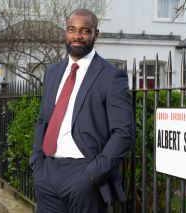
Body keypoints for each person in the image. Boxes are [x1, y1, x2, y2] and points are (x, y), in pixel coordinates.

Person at [29, 8, 134, 213]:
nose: (77, 36)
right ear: (65, 32)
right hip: (48, 173)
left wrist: (92, 174)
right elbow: (43, 120)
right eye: (71, 29)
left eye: (85, 31)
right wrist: (37, 161)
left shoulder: (111, 76)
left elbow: (123, 134)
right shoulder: (52, 72)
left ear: (96, 33)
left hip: (84, 175)